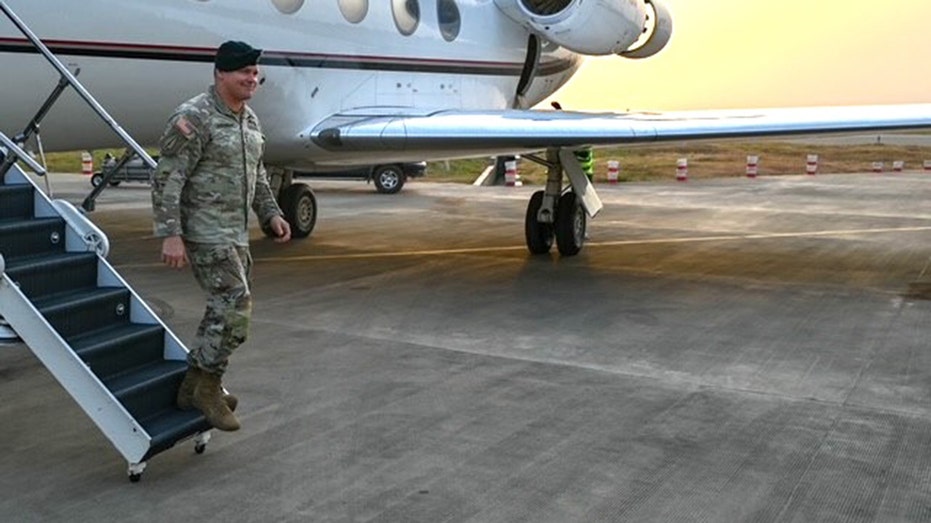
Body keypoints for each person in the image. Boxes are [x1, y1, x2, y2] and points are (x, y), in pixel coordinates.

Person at [151, 41, 291, 431]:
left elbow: (257, 173)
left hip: (235, 233)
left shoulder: (249, 120)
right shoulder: (194, 116)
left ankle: (193, 385)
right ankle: (209, 386)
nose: (252, 79)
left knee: (222, 311)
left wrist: (271, 213)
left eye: (255, 73)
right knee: (236, 308)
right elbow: (167, 177)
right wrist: (171, 233)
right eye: (244, 72)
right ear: (220, 74)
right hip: (204, 232)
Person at [550, 101, 594, 182]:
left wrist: (559, 111)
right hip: (583, 173)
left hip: (583, 174)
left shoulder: (581, 145)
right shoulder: (584, 141)